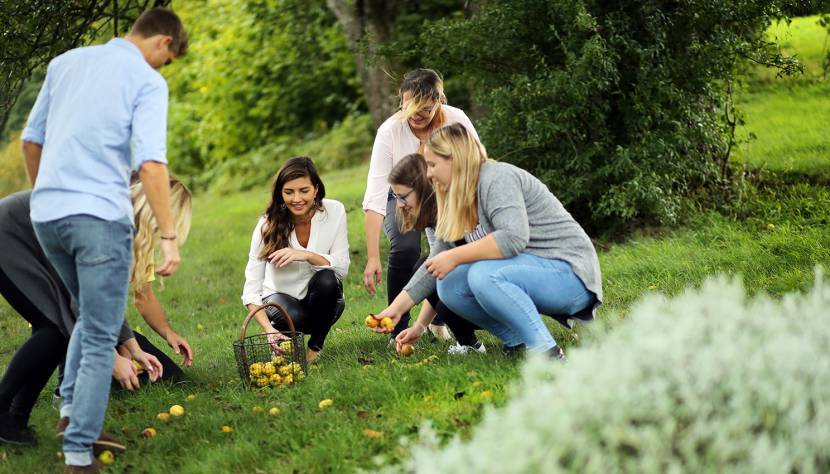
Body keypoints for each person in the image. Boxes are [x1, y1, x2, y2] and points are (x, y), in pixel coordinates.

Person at [19, 7, 188, 471]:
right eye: (165, 61)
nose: (160, 69)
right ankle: (79, 451)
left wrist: (45, 195)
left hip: (48, 216)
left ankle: (72, 411)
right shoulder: (147, 81)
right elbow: (152, 164)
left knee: (86, 315)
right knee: (97, 332)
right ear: (164, 43)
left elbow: (30, 143)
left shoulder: (66, 63)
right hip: (99, 218)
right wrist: (169, 236)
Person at [371, 124, 603, 360]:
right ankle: (517, 343)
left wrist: (454, 256)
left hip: (570, 276)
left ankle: (547, 352)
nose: (428, 174)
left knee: (482, 274)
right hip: (532, 274)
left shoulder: (496, 178)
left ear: (455, 159)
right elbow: (435, 262)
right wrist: (396, 309)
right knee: (449, 283)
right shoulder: (455, 197)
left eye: (432, 164)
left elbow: (513, 238)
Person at [0, 178, 193, 447]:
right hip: (13, 235)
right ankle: (5, 411)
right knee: (56, 327)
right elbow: (85, 303)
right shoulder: (111, 222)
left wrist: (134, 348)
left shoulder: (121, 223)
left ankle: (15, 419)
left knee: (57, 331)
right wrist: (110, 356)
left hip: (28, 239)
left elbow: (104, 299)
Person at [362, 68, 479, 339]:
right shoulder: (390, 131)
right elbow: (375, 196)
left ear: (440, 101)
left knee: (449, 251)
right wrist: (371, 256)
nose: (415, 115)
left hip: (447, 195)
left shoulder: (455, 119)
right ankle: (397, 327)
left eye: (425, 109)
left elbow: (476, 165)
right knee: (405, 248)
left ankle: (439, 316)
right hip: (400, 196)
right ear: (401, 100)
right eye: (408, 107)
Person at [242, 157, 349, 365]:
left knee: (328, 279)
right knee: (292, 316)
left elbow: (342, 266)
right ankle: (282, 336)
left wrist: (306, 255)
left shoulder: (334, 211)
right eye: (289, 192)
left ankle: (314, 347)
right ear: (280, 194)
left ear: (316, 189)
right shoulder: (267, 225)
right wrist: (268, 328)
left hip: (322, 302)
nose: (297, 199)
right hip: (280, 301)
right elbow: (251, 288)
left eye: (304, 190)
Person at [384, 153, 486, 354]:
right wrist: (419, 327)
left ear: (424, 190)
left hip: (493, 283)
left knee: (440, 275)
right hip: (474, 287)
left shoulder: (462, 207)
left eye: (403, 197)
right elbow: (433, 271)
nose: (400, 205)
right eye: (396, 197)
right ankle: (469, 345)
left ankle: (517, 338)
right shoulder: (432, 219)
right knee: (428, 266)